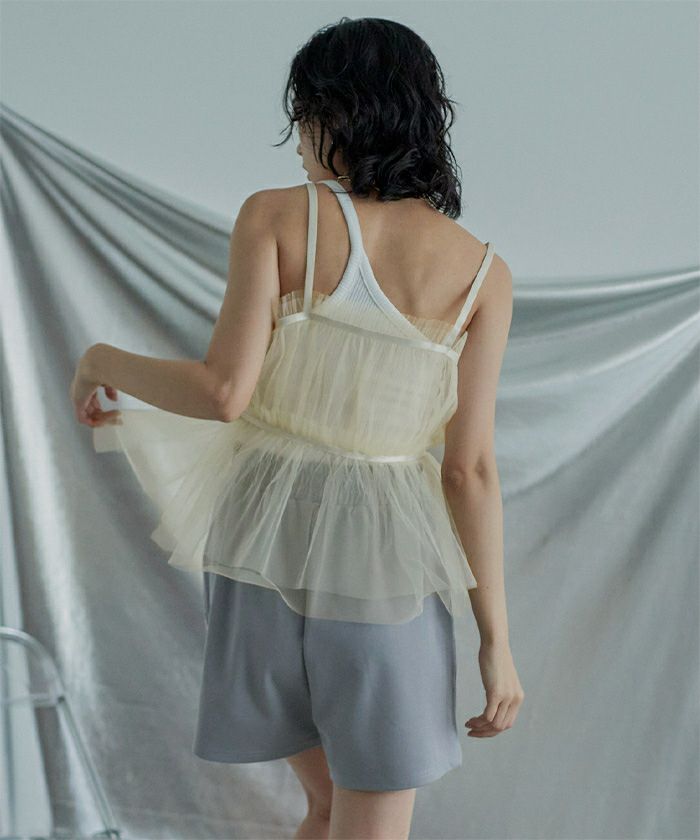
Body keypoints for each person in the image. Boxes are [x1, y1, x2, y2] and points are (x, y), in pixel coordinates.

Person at [70, 15, 523, 840]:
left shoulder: (278, 217)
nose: (300, 143)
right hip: (383, 560)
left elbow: (223, 393)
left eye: (305, 115)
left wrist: (101, 359)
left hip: (260, 542)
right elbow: (470, 471)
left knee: (322, 805)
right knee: (369, 816)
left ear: (334, 113)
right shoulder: (483, 275)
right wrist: (496, 641)